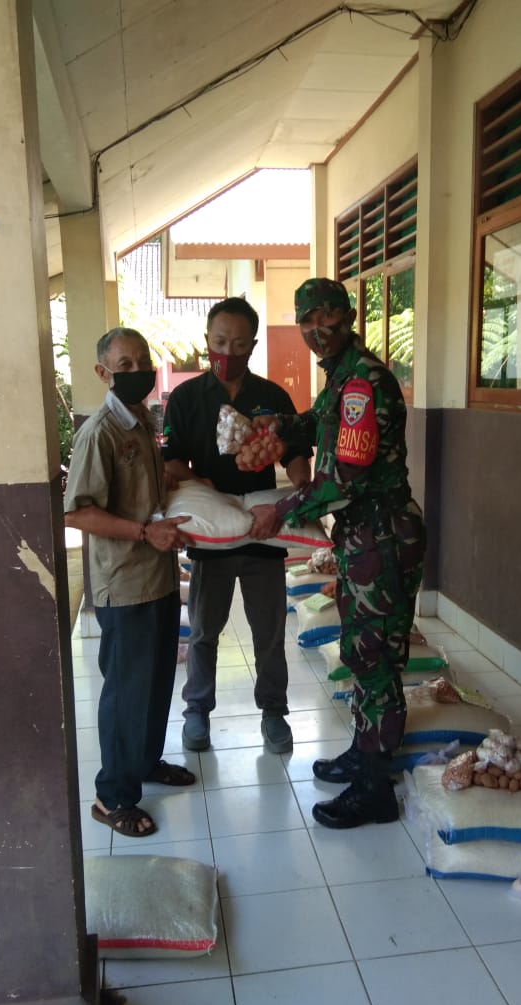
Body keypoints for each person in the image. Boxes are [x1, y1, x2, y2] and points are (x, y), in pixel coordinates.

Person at [246, 278, 426, 828]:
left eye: (326, 316)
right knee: (361, 649)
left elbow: (344, 478)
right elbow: (316, 422)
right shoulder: (341, 377)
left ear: (347, 316)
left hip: (380, 535)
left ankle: (375, 788)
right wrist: (280, 423)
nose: (316, 329)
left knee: (374, 656)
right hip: (362, 536)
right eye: (306, 319)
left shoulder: (363, 383)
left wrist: (282, 510)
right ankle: (363, 749)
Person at [162, 297, 311, 754]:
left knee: (269, 633)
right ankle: (197, 711)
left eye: (240, 343)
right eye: (220, 341)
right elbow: (171, 461)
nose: (228, 351)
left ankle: (274, 713)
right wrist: (198, 482)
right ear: (207, 341)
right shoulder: (187, 398)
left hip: (263, 531)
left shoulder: (272, 397)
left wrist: (300, 494)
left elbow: (296, 455)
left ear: (253, 345)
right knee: (204, 631)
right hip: (212, 535)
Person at [64, 327, 196, 839]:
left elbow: (141, 487)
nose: (139, 370)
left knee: (157, 680)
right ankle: (112, 796)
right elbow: (77, 513)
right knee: (126, 692)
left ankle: (143, 762)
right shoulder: (99, 433)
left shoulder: (140, 418)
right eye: (125, 365)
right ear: (104, 373)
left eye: (143, 361)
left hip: (157, 575)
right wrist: (144, 532)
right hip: (124, 583)